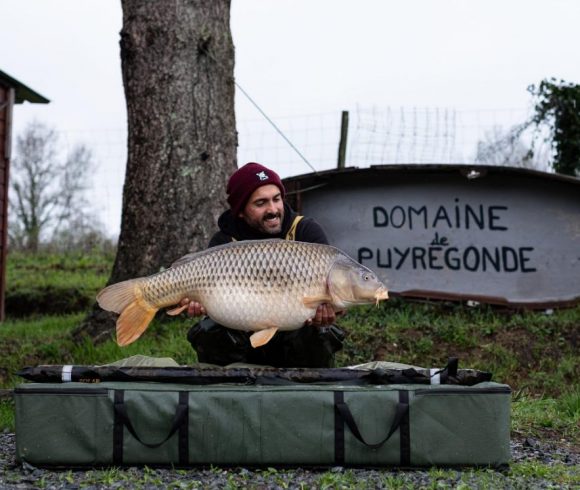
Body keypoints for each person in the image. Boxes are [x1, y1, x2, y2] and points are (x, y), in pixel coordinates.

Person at [180, 162, 344, 368]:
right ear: (241, 211)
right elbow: (214, 303)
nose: (273, 209)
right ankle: (230, 390)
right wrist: (200, 304)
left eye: (277, 199)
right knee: (209, 330)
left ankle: (306, 391)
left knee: (320, 332)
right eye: (261, 203)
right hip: (242, 332)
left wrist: (332, 312)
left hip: (293, 332)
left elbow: (335, 294)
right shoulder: (223, 242)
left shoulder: (305, 232)